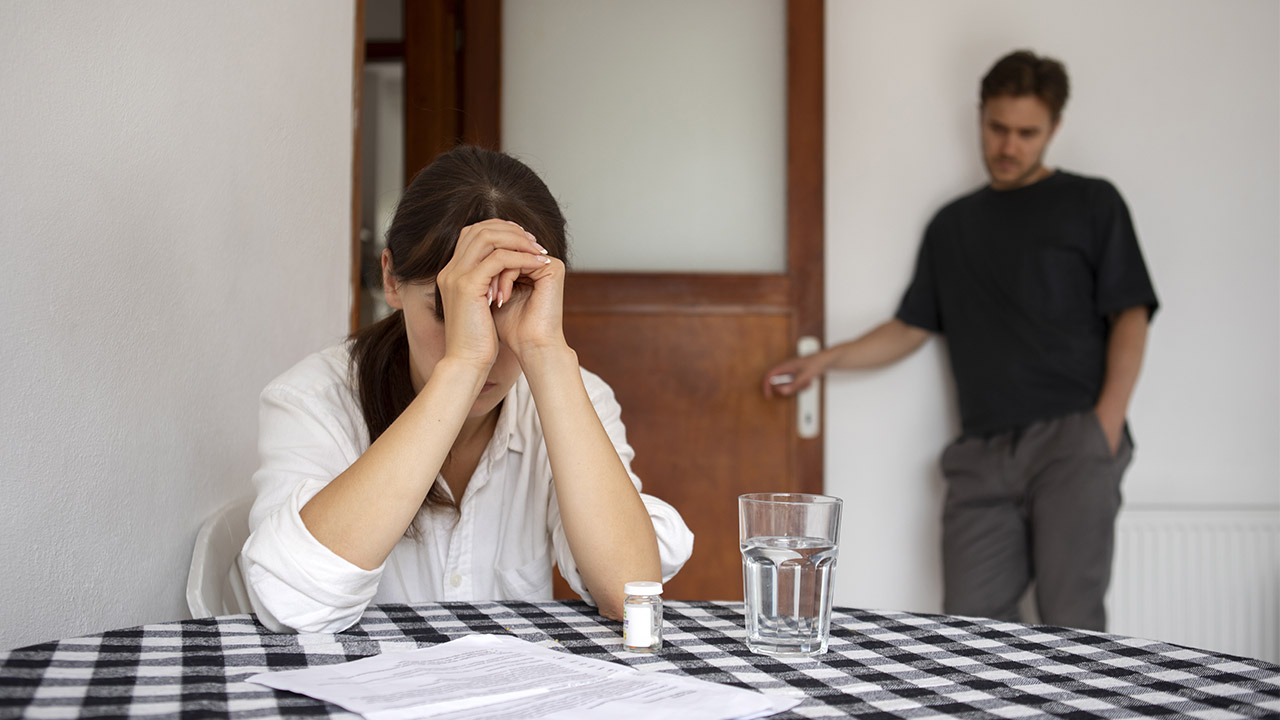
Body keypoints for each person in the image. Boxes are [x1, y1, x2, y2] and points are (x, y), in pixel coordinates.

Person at [763, 50, 1157, 631]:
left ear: (1054, 129)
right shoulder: (953, 226)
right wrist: (825, 361)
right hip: (980, 455)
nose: (1009, 146)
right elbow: (910, 327)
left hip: (1073, 442)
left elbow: (1131, 315)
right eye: (998, 128)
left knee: (1072, 624)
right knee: (972, 630)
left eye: (1028, 133)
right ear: (980, 116)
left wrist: (1104, 428)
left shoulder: (1093, 204)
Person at [241, 146, 694, 634]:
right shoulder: (314, 400)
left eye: (510, 306)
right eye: (449, 310)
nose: (486, 346)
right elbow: (289, 602)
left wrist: (544, 352)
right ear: (391, 279)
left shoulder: (571, 396)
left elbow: (630, 595)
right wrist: (460, 367)